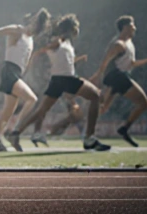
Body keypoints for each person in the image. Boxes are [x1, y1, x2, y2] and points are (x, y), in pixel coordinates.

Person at [8, 14, 111, 152]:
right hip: (66, 79)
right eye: (76, 27)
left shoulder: (66, 42)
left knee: (41, 111)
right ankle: (89, 138)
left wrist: (78, 59)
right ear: (70, 28)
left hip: (58, 79)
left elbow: (65, 62)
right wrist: (36, 54)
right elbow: (50, 47)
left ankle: (15, 133)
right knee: (96, 96)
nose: (77, 31)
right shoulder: (59, 40)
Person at [89, 15, 147, 147]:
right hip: (117, 77)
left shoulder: (129, 43)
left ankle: (87, 131)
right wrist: (97, 76)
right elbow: (105, 61)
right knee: (144, 103)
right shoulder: (118, 44)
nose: (135, 28)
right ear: (125, 27)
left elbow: (131, 63)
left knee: (103, 108)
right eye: (133, 25)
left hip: (120, 76)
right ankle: (123, 129)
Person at [0, 9, 49, 152]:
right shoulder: (17, 30)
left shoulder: (30, 39)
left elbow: (25, 59)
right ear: (32, 21)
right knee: (32, 99)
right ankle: (13, 131)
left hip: (17, 73)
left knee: (7, 113)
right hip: (9, 71)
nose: (36, 31)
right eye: (37, 26)